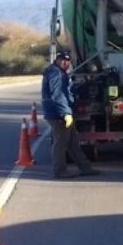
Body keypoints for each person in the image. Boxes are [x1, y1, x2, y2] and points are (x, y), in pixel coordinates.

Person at [41, 51, 99, 179]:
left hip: (61, 112)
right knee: (60, 144)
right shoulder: (55, 73)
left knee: (72, 143)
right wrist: (65, 113)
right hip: (58, 115)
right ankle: (60, 171)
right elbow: (58, 95)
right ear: (56, 60)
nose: (65, 62)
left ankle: (85, 168)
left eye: (67, 60)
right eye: (62, 60)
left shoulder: (59, 72)